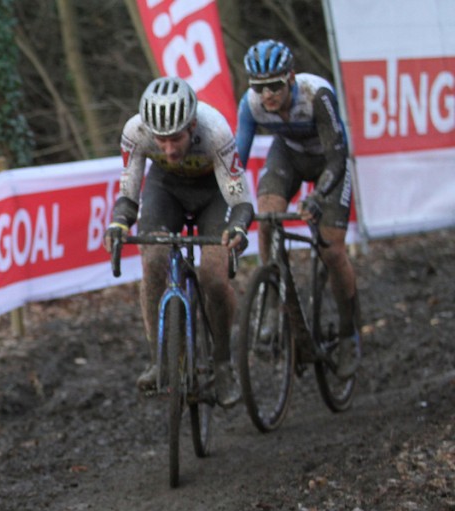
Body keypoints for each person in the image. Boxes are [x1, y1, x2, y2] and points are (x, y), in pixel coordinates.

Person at [104, 76, 254, 408]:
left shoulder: (216, 130)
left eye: (177, 139)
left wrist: (240, 228)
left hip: (213, 194)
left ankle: (223, 363)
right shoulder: (135, 131)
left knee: (213, 279)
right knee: (154, 262)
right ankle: (159, 359)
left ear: (192, 125)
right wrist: (117, 224)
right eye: (162, 141)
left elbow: (241, 201)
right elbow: (128, 194)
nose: (169, 149)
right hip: (166, 190)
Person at [236, 39, 360, 378]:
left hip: (328, 165)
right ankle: (273, 301)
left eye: (275, 85)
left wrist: (318, 197)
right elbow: (236, 162)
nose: (268, 95)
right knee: (266, 215)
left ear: (291, 78)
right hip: (288, 156)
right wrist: (227, 200)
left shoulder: (316, 95)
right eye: (259, 87)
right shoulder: (251, 105)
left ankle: (350, 333)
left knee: (332, 251)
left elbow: (338, 157)